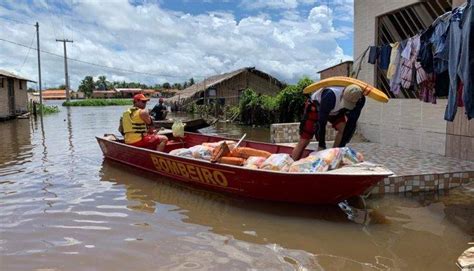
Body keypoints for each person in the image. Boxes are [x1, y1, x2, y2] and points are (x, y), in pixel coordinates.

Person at [291, 84, 366, 160]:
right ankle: (291, 164)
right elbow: (321, 123)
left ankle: (333, 157)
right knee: (305, 140)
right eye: (346, 102)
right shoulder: (330, 95)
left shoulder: (360, 99)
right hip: (317, 107)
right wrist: (321, 145)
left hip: (336, 110)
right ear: (343, 93)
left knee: (343, 129)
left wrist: (341, 148)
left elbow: (351, 123)